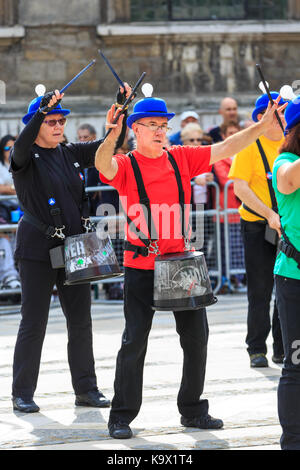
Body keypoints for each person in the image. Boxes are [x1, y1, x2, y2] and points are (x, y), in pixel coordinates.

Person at [95, 89, 286, 439]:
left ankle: (193, 409)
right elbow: (101, 165)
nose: (159, 130)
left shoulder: (180, 156)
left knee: (197, 338)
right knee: (134, 339)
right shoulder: (125, 164)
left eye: (163, 125)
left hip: (181, 262)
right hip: (142, 263)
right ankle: (121, 416)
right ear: (135, 129)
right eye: (151, 124)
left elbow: (225, 149)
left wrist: (261, 126)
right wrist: (111, 134)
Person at [10, 83, 131, 413]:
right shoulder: (24, 156)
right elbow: (21, 144)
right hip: (37, 249)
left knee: (81, 321)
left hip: (76, 247)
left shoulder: (69, 152)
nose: (58, 125)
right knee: (33, 322)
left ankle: (86, 389)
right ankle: (22, 392)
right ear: (36, 124)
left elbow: (108, 148)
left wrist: (121, 109)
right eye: (52, 121)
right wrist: (41, 111)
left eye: (62, 120)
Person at [228, 92, 285, 368]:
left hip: (288, 227)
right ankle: (256, 348)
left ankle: (282, 347)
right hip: (256, 225)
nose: (282, 118)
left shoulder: (292, 144)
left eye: (285, 113)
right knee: (260, 288)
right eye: (277, 113)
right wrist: (269, 214)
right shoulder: (249, 145)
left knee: (286, 287)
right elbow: (240, 188)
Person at [272, 96, 300, 449]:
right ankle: (293, 440)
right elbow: (289, 181)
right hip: (294, 275)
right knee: (296, 361)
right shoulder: (286, 161)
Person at [213, 122, 244, 292]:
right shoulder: (219, 155)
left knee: (240, 250)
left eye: (236, 132)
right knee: (226, 251)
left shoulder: (243, 153)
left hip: (242, 211)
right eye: (230, 133)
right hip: (226, 212)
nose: (233, 135)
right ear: (223, 136)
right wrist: (243, 180)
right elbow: (226, 181)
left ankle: (239, 280)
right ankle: (228, 280)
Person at [0, 135, 19, 223]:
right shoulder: (1, 166)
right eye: (7, 148)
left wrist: (8, 188)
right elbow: (1, 189)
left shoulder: (21, 164)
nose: (11, 150)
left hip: (22, 206)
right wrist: (16, 188)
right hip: (5, 208)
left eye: (13, 147)